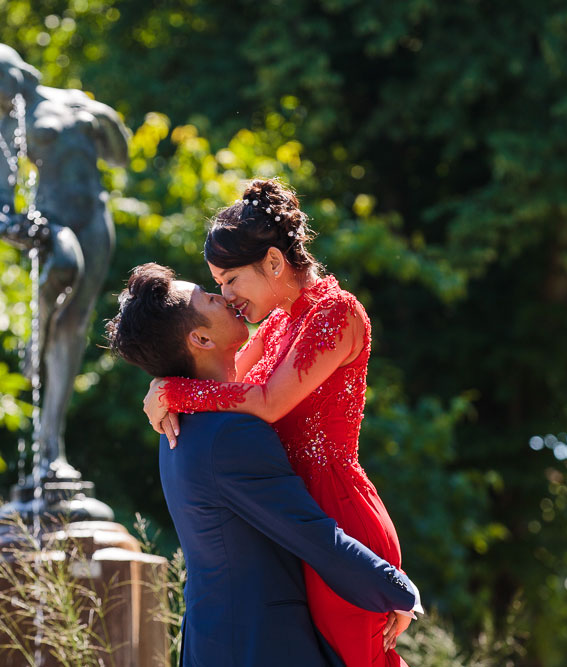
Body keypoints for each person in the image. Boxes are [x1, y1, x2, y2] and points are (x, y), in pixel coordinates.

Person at [142, 179, 413, 666]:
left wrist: (176, 390)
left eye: (230, 280)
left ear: (272, 262)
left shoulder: (336, 314)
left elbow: (264, 402)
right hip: (300, 525)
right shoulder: (276, 325)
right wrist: (163, 384)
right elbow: (223, 382)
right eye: (218, 285)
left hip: (338, 517)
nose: (227, 297)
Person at [0, 43, 131, 482]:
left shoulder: (75, 102)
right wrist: (8, 224)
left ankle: (51, 445)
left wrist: (108, 121)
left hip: (95, 217)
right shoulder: (8, 125)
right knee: (64, 267)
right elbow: (2, 198)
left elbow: (119, 157)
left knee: (76, 323)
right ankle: (38, 331)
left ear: (14, 72)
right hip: (53, 222)